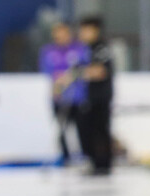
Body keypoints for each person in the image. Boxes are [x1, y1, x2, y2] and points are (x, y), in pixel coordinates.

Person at [40, 21, 87, 165]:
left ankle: (85, 155)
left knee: (82, 128)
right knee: (62, 128)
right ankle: (65, 157)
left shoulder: (79, 49)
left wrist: (69, 77)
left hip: (77, 97)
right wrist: (56, 88)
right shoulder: (48, 51)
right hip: (59, 96)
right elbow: (48, 72)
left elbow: (83, 69)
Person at [75, 15, 115, 176]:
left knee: (101, 131)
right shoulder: (85, 49)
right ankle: (93, 162)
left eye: (85, 29)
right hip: (87, 97)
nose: (82, 33)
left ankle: (103, 164)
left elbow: (100, 71)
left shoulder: (102, 48)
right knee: (87, 131)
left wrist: (80, 72)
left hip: (100, 97)